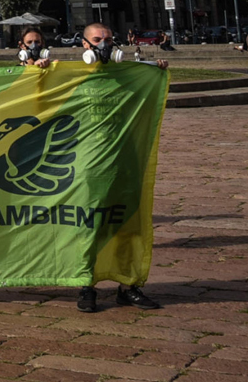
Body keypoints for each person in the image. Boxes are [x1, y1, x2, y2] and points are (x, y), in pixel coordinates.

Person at [75, 21, 164, 312]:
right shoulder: (71, 77)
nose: (105, 44)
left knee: (128, 225)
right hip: (90, 165)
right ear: (85, 45)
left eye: (109, 38)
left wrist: (156, 72)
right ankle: (86, 286)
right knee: (90, 227)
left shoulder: (126, 75)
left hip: (126, 161)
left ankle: (129, 287)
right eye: (98, 39)